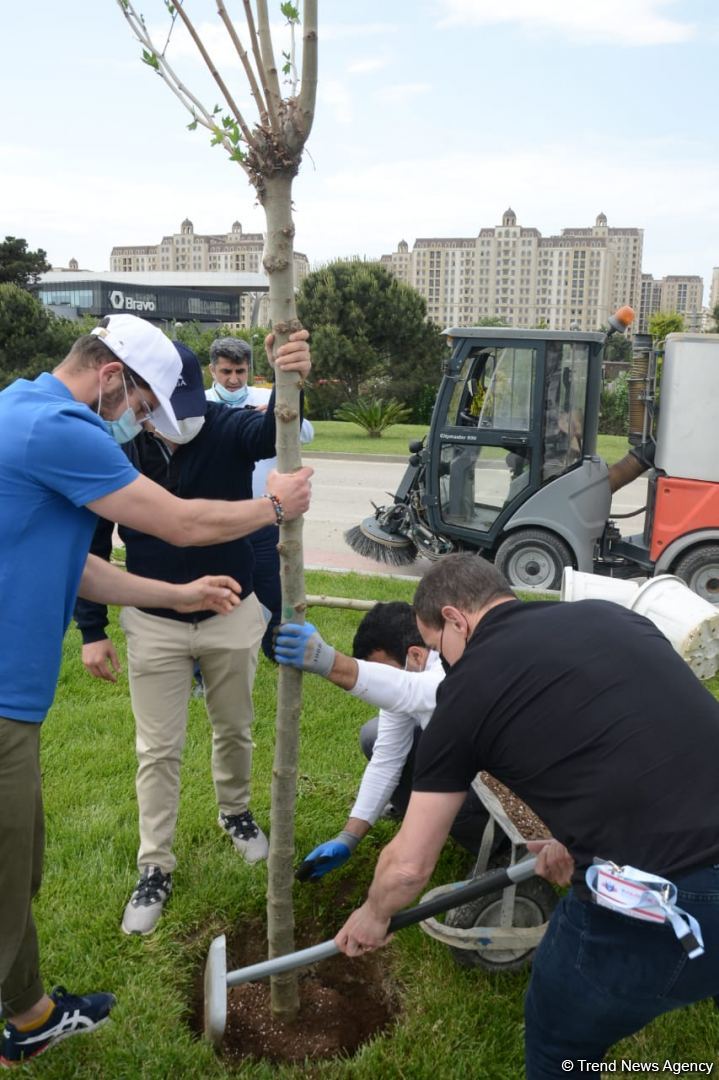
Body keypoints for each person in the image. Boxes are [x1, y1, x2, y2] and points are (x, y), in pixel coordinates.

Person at [0, 313, 312, 1067]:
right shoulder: (62, 429)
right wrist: (275, 508)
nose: (139, 422)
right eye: (140, 407)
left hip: (15, 696)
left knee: (19, 866)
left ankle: (31, 1013)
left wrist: (173, 599)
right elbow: (176, 523)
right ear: (112, 376)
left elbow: (78, 566)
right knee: (3, 878)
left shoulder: (19, 406)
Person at [332, 553, 719, 1078]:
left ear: (456, 619)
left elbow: (408, 867)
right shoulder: (611, 616)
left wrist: (374, 915)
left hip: (672, 897)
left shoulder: (464, 695)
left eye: (440, 647)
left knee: (561, 1039)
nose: (444, 662)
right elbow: (632, 742)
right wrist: (575, 842)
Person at [75, 335, 312, 936]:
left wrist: (292, 381)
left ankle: (235, 812)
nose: (159, 416)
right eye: (149, 404)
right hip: (152, 621)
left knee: (234, 727)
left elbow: (275, 432)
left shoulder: (227, 427)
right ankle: (154, 864)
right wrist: (92, 630)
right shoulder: (118, 449)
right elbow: (94, 544)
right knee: (156, 750)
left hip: (230, 614)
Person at [275, 602, 493, 881]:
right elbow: (386, 760)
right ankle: (428, 815)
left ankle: (494, 848)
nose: (383, 682)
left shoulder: (452, 668)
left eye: (385, 672)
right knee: (374, 735)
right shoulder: (411, 674)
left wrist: (329, 662)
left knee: (439, 774)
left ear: (415, 655)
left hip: (503, 788)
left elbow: (410, 691)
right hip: (467, 760)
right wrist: (348, 837)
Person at [206, 336, 314, 659]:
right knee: (217, 590)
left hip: (266, 517)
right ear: (212, 370)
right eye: (226, 371)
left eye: (240, 371)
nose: (234, 379)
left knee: (271, 588)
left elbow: (305, 432)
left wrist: (275, 418)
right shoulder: (200, 404)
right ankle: (207, 661)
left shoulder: (269, 397)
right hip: (218, 519)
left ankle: (277, 651)